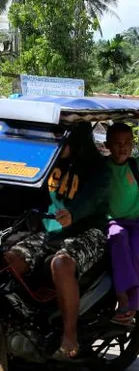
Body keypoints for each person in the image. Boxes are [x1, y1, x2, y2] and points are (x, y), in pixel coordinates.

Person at [3, 123, 110, 359]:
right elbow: (20, 188)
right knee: (10, 259)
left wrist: (74, 212)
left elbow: (94, 197)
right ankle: (27, 318)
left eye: (60, 136)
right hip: (51, 230)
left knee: (61, 264)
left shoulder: (98, 167)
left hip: (88, 230)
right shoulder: (45, 162)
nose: (54, 141)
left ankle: (69, 336)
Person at [104, 116, 139, 325]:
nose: (122, 148)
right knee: (117, 238)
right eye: (117, 143)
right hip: (113, 222)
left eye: (127, 143)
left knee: (137, 254)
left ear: (132, 145)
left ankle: (133, 306)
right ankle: (122, 297)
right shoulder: (102, 167)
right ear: (107, 145)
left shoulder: (137, 164)